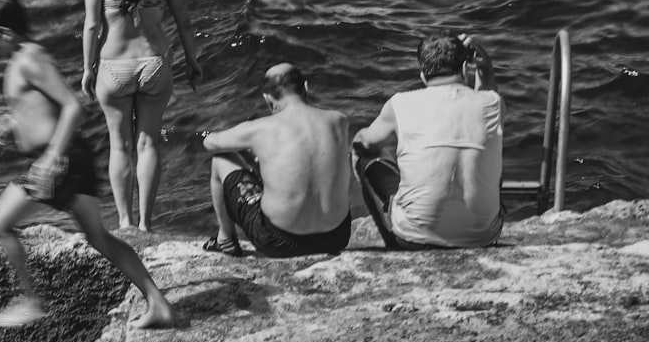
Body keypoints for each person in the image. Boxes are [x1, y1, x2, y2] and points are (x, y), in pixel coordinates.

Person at [0, 0, 176, 329]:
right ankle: (159, 304)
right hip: (72, 158)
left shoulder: (29, 59)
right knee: (100, 238)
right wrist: (11, 122)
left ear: (5, 33)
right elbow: (42, 107)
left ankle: (30, 301)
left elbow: (72, 106)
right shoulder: (23, 60)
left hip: (59, 159)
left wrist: (51, 156)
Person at [81, 0, 203, 231]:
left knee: (120, 145)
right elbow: (184, 21)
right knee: (148, 142)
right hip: (155, 62)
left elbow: (92, 25)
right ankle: (147, 224)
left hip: (113, 66)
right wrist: (192, 61)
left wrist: (88, 70)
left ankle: (125, 223)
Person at [352, 32, 504, 249]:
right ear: (464, 68)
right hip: (484, 238)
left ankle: (392, 243)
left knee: (363, 151)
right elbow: (487, 97)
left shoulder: (400, 103)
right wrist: (485, 68)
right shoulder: (493, 103)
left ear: (423, 74)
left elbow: (363, 142)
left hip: (412, 239)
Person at [201, 63, 353, 258]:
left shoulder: (260, 129)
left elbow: (210, 143)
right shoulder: (339, 120)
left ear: (267, 98)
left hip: (278, 241)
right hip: (336, 237)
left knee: (221, 159)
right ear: (306, 88)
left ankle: (225, 239)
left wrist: (251, 144)